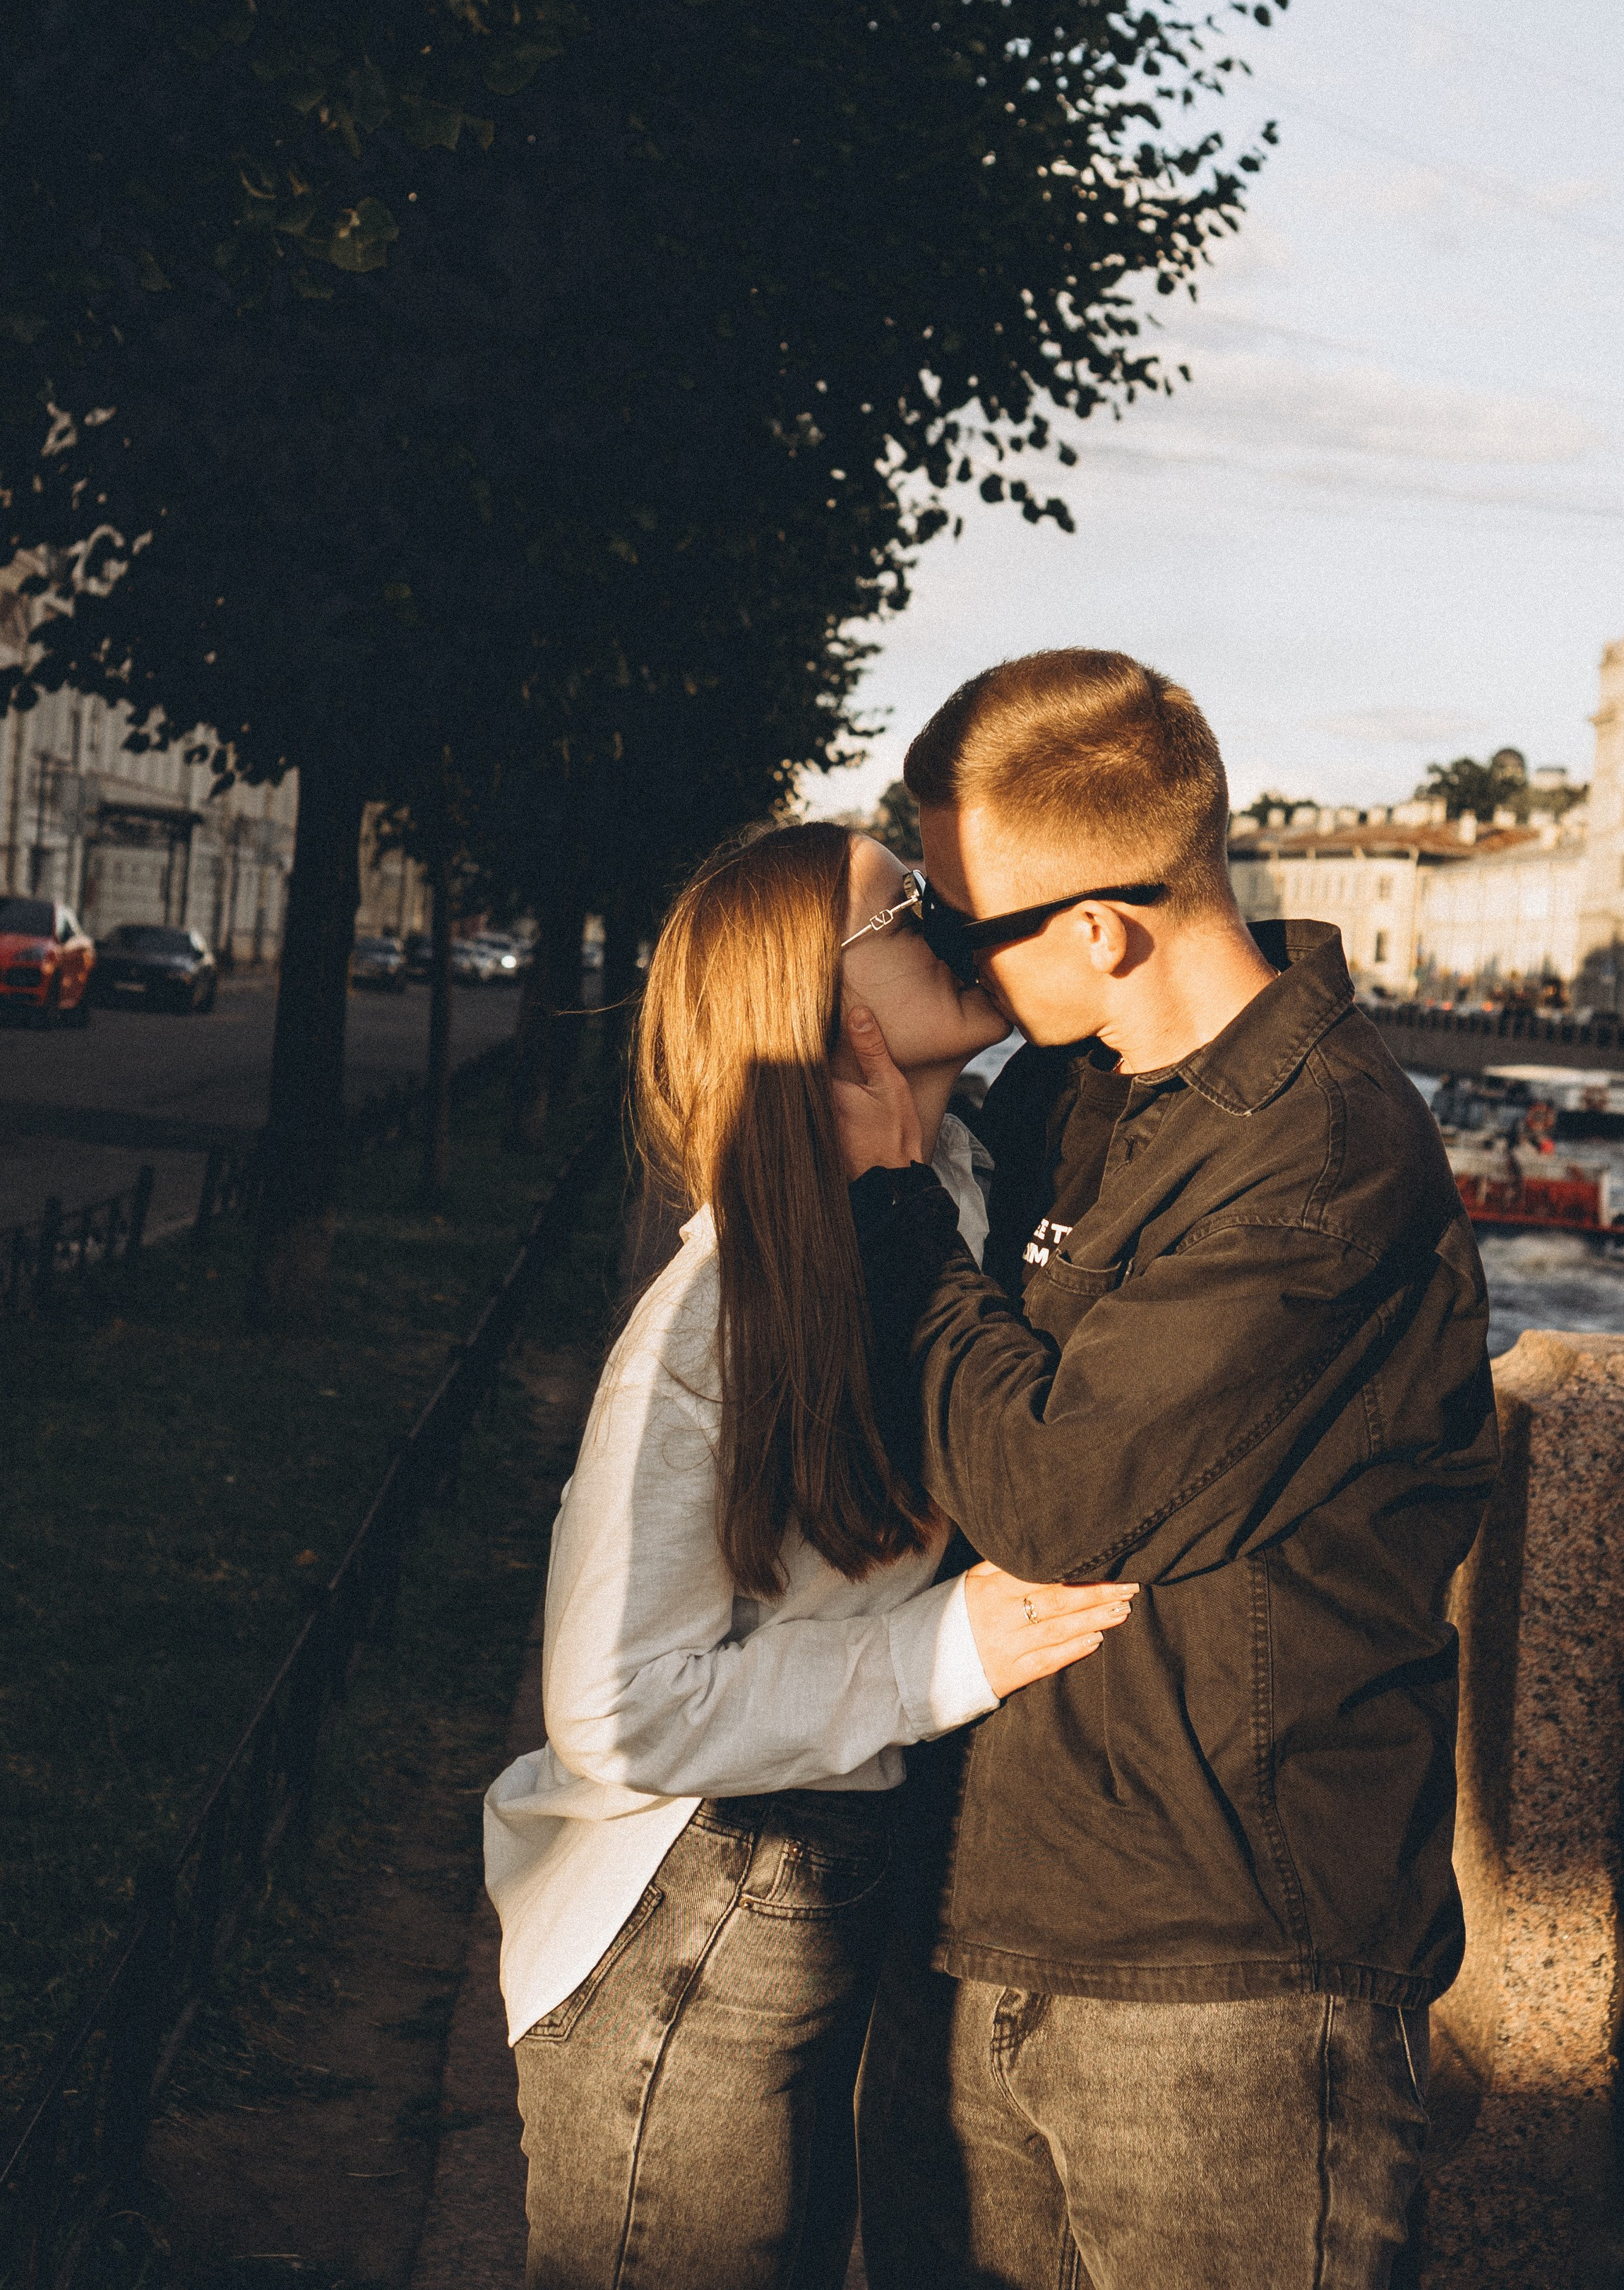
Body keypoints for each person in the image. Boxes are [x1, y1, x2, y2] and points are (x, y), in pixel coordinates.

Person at [832, 649, 1498, 2290]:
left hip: (1226, 1982)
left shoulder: (1321, 1155)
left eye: (953, 919)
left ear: (1098, 931)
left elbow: (1060, 1497)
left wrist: (894, 1213)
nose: (932, 953)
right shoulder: (1067, 1088)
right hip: (989, 1918)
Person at [484, 821, 1137, 2290]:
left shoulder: (951, 1188)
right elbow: (611, 1704)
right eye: (908, 907)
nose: (956, 918)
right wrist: (942, 1651)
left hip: (813, 1873)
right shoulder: (726, 1304)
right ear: (820, 999)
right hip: (695, 1895)